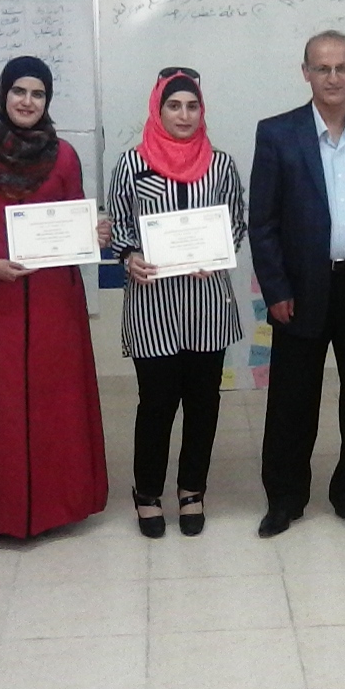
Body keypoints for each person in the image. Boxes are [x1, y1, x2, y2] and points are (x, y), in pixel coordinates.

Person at [0, 56, 108, 543]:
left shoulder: (63, 155)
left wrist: (92, 232)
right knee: (0, 404)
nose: (27, 102)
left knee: (55, 403)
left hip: (55, 303)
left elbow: (73, 219)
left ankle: (57, 507)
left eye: (38, 94)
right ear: (3, 93)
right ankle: (3, 512)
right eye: (19, 91)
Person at [249, 31, 345, 538]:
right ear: (306, 73)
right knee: (292, 401)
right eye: (322, 68)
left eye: (341, 67)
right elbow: (263, 223)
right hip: (301, 288)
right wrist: (276, 290)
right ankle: (285, 499)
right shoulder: (277, 133)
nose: (333, 77)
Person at [106, 68, 248, 537]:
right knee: (157, 402)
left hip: (207, 302)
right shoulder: (132, 164)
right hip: (153, 303)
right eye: (174, 106)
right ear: (158, 109)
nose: (184, 115)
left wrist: (218, 252)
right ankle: (147, 492)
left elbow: (237, 222)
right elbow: (119, 225)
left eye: (192, 106)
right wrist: (129, 256)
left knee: (204, 402)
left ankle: (192, 489)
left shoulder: (221, 165)